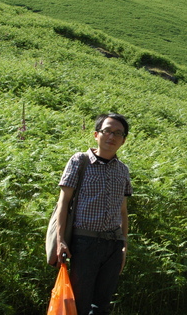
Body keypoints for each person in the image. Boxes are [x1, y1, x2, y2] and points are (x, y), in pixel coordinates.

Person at [55, 113, 133, 315]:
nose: (112, 137)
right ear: (96, 134)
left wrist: (123, 245)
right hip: (84, 244)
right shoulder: (79, 161)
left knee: (102, 305)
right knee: (79, 304)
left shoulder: (123, 170)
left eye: (118, 133)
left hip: (114, 245)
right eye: (107, 131)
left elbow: (123, 211)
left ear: (123, 140)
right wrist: (60, 240)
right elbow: (63, 203)